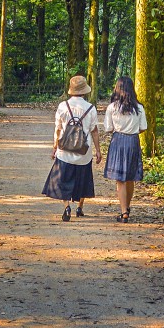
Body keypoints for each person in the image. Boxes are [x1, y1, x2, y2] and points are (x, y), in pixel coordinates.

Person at [42, 75, 100, 221]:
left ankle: (67, 206)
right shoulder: (90, 108)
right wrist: (98, 151)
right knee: (83, 180)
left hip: (64, 151)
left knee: (63, 180)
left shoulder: (63, 106)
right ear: (85, 91)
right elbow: (94, 130)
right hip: (84, 153)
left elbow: (58, 129)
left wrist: (55, 147)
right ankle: (80, 207)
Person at [101, 76, 148, 222]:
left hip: (118, 141)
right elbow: (143, 128)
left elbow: (108, 128)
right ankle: (127, 207)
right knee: (130, 178)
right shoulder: (139, 108)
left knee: (120, 180)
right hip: (133, 141)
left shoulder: (112, 108)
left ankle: (123, 212)